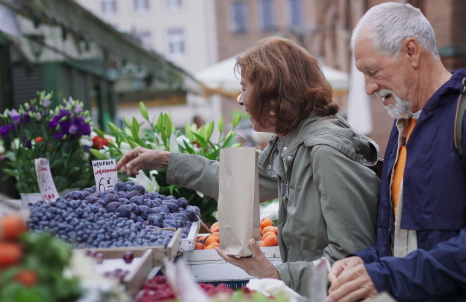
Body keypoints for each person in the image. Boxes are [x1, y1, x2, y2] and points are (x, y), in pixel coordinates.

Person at [117, 36, 381, 296]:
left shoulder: (325, 150)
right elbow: (239, 182)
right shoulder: (293, 141)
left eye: (245, 88)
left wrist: (274, 275)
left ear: (274, 96)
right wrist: (165, 160)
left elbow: (353, 259)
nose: (241, 99)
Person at [327, 2, 466, 301]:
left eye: (373, 71)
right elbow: (407, 242)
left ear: (412, 51)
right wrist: (366, 261)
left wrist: (387, 276)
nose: (369, 88)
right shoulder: (403, 123)